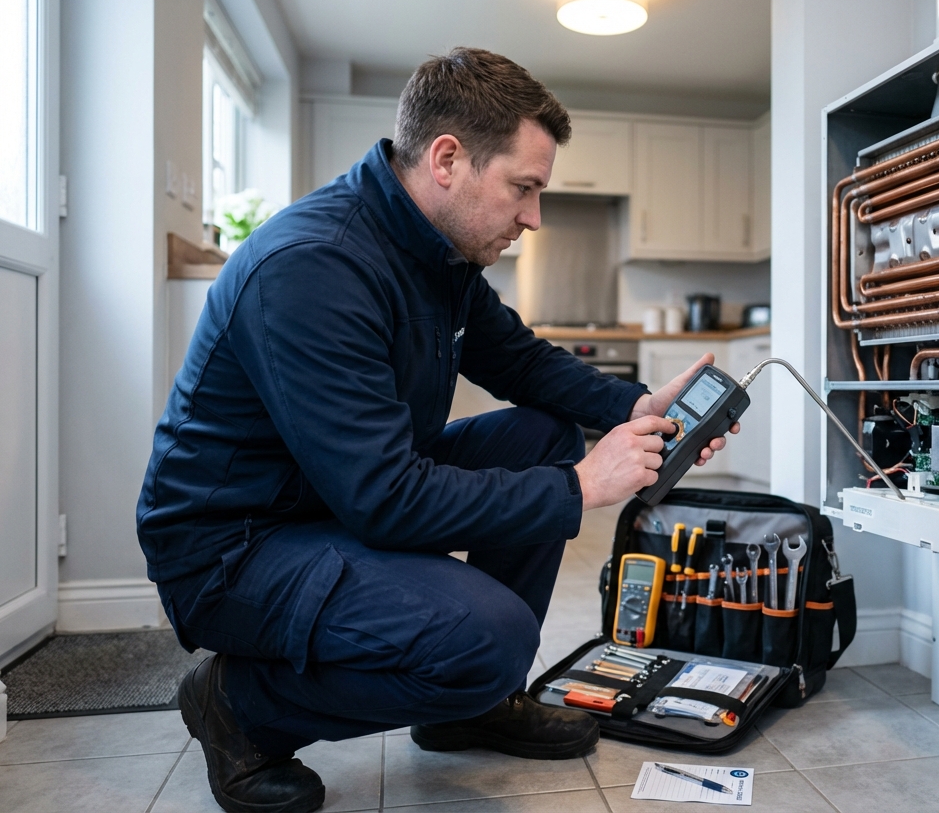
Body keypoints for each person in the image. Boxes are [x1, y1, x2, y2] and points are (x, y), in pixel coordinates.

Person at [136, 47, 737, 813]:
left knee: (540, 433)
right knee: (487, 639)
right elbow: (385, 500)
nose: (533, 216)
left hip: (327, 501)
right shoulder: (313, 268)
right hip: (235, 547)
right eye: (523, 188)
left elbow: (519, 361)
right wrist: (582, 486)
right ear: (447, 159)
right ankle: (238, 702)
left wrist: (639, 407)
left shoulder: (438, 252)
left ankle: (465, 711)